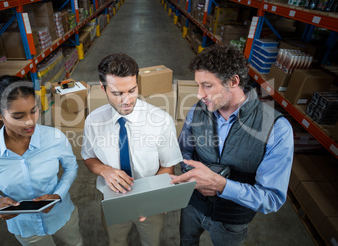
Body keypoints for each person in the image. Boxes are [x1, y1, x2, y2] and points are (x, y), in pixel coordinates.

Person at [171, 45, 294, 246]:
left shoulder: (275, 128)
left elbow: (272, 197)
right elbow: (184, 151)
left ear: (233, 81)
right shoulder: (197, 111)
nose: (199, 94)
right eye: (198, 85)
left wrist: (222, 186)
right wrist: (193, 175)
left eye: (207, 86)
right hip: (192, 206)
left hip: (231, 221)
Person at [81, 53, 183, 246]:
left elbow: (168, 166)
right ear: (103, 88)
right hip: (113, 201)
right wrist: (105, 170)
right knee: (116, 241)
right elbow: (88, 158)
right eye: (117, 93)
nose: (126, 100)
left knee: (151, 242)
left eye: (132, 90)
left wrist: (150, 201)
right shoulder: (93, 121)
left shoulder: (161, 121)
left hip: (151, 203)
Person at [0, 75, 83, 246]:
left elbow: (71, 168)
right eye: (18, 116)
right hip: (25, 227)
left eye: (33, 110)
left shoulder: (54, 138)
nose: (30, 121)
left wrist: (57, 195)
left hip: (61, 214)